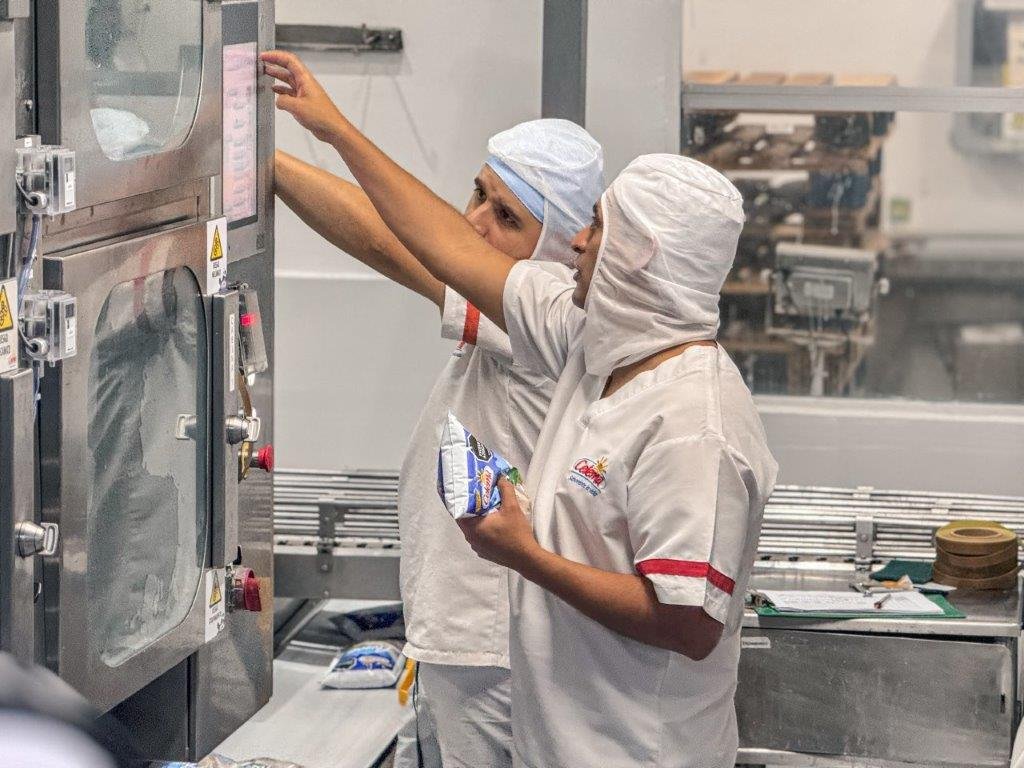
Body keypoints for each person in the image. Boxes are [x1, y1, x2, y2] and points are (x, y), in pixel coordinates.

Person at [261, 50, 777, 768]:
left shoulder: (691, 423)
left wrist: (525, 555)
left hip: (627, 747)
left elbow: (689, 623)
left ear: (640, 255)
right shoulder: (587, 335)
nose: (582, 243)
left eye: (598, 229)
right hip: (552, 711)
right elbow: (438, 240)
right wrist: (334, 131)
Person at [272, 75, 604, 767]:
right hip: (465, 639)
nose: (475, 224)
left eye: (506, 216)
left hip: (491, 644)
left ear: (559, 248)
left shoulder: (548, 313)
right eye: (477, 194)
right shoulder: (522, 320)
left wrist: (273, 156)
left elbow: (387, 241)